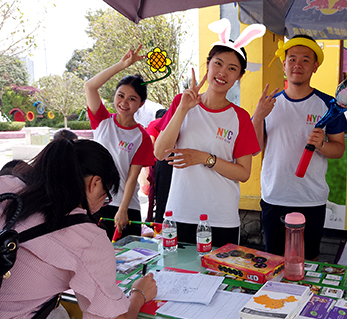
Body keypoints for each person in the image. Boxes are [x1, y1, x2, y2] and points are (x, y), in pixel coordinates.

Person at [0, 139, 157, 319]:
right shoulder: (87, 239)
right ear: (94, 183)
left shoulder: (8, 186)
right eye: (106, 196)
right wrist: (139, 294)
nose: (103, 204)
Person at [154, 19, 263, 246]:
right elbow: (160, 152)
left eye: (232, 68)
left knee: (219, 279)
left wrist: (205, 159)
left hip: (221, 217)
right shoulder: (181, 103)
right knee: (178, 276)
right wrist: (183, 109)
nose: (223, 72)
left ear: (239, 76)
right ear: (208, 64)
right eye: (218, 63)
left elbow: (243, 173)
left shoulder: (240, 117)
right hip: (179, 213)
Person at [252, 35, 347, 260]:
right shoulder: (269, 104)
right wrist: (257, 117)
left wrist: (322, 145)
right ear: (284, 64)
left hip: (311, 199)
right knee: (274, 261)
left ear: (315, 66)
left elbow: (339, 150)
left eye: (306, 60)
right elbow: (257, 148)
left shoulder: (328, 105)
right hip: (274, 196)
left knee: (309, 262)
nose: (298, 64)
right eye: (292, 58)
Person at [85, 45, 155, 240]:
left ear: (141, 104)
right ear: (114, 96)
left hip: (124, 209)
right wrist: (122, 65)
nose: (124, 102)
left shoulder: (141, 137)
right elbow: (90, 86)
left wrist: (123, 210)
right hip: (94, 204)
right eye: (120, 96)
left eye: (132, 99)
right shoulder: (102, 121)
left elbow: (132, 178)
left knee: (126, 266)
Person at [146, 108, 173, 223]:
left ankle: (156, 222)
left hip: (158, 162)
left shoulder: (154, 123)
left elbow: (150, 143)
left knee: (156, 194)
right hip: (173, 161)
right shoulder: (172, 123)